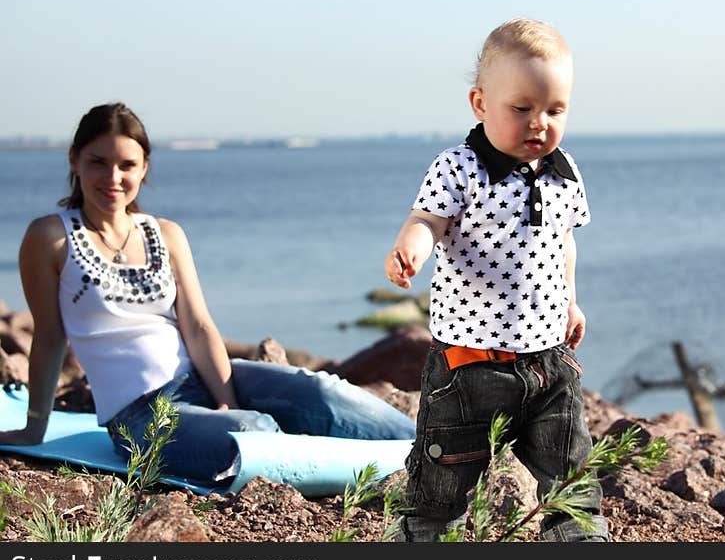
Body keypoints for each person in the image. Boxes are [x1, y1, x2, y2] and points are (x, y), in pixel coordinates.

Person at [0, 102, 415, 487]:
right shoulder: (51, 237)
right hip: (140, 416)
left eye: (127, 165)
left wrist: (225, 401)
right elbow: (50, 337)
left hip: (202, 378)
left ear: (144, 168)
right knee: (252, 434)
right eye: (97, 163)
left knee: (323, 392)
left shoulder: (166, 233)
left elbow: (198, 327)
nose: (113, 178)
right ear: (74, 160)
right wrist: (35, 426)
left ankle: (441, 448)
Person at [384, 18, 609, 541]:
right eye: (522, 108)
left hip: (550, 363)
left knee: (571, 483)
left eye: (555, 110)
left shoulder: (563, 170)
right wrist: (411, 249)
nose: (540, 123)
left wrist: (571, 304)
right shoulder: (459, 168)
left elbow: (562, 243)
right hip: (469, 365)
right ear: (480, 103)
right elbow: (428, 220)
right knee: (440, 491)